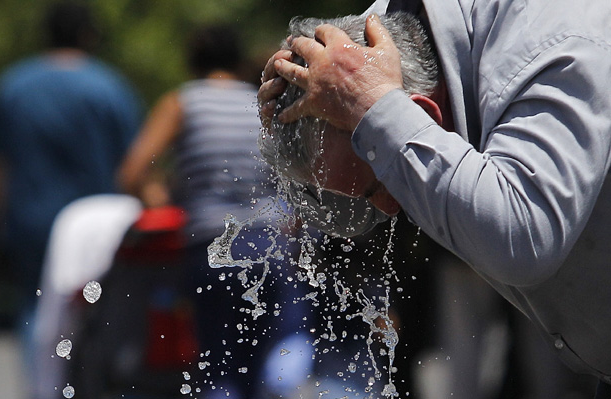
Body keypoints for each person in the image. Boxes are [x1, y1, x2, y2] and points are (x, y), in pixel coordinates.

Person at [259, 1, 611, 397]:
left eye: (381, 184)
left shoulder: (551, 36)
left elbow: (523, 238)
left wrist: (377, 108)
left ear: (423, 113)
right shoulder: (369, 52)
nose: (390, 209)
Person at [118, 24, 310, 399]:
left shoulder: (182, 102)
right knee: (258, 363)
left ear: (192, 61)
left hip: (210, 246)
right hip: (268, 246)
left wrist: (158, 197)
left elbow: (133, 171)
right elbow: (296, 176)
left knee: (218, 364)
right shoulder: (262, 101)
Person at [0, 0, 143, 392]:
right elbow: (135, 163)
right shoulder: (110, 88)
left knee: (35, 308)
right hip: (96, 226)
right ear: (88, 35)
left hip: (31, 218)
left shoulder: (12, 86)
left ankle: (42, 388)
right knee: (98, 311)